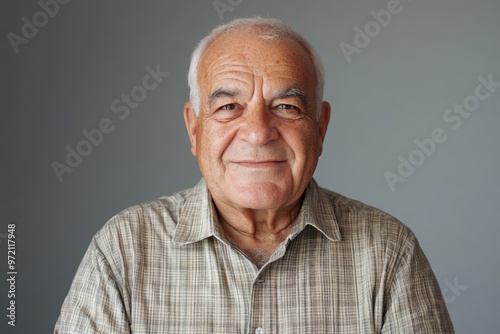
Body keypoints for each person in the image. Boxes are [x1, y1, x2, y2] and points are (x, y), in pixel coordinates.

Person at [55, 17, 454, 333]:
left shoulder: (388, 253)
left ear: (320, 128)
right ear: (195, 129)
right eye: (228, 106)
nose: (259, 131)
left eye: (286, 106)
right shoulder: (123, 250)